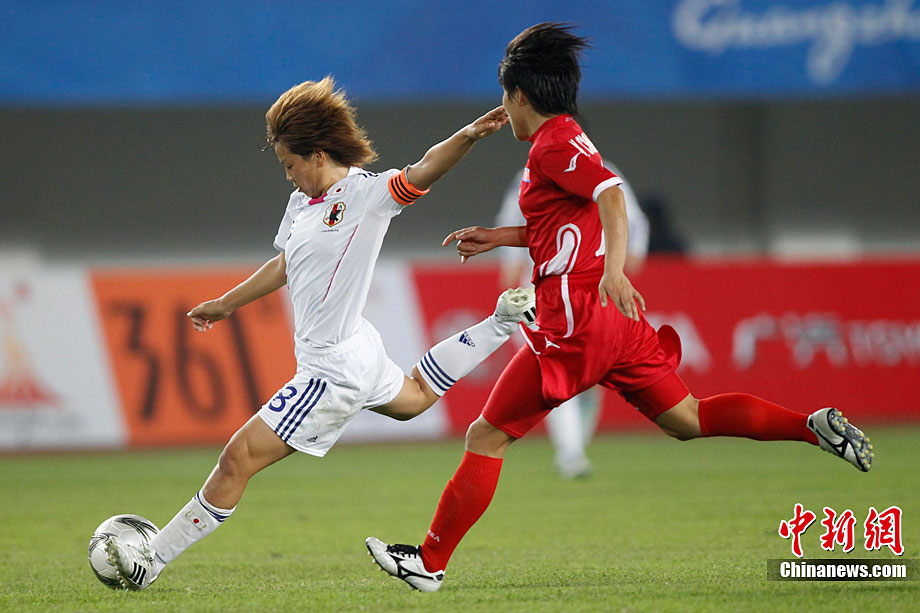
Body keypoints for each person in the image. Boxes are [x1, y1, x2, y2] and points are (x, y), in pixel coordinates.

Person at [366, 23, 873, 593]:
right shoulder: (567, 137)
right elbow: (564, 224)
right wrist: (500, 237)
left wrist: (614, 271)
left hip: (576, 319)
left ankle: (430, 562)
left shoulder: (552, 146)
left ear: (521, 96)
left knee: (487, 436)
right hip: (614, 325)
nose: (503, 109)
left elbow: (610, 195)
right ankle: (810, 427)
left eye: (505, 96)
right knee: (688, 419)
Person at [104, 76, 536, 591]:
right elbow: (284, 264)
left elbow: (424, 169)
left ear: (317, 154)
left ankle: (151, 559)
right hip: (357, 350)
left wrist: (467, 135)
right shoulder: (300, 204)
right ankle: (500, 323)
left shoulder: (368, 195)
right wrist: (226, 304)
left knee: (236, 459)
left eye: (290, 164)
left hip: (330, 370)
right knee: (416, 397)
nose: (288, 176)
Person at [496, 159, 648, 478]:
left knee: (590, 377)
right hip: (543, 286)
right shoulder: (533, 173)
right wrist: (510, 264)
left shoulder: (604, 172)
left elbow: (632, 218)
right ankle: (571, 453)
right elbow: (512, 216)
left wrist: (629, 256)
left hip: (592, 286)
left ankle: (575, 448)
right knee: (554, 368)